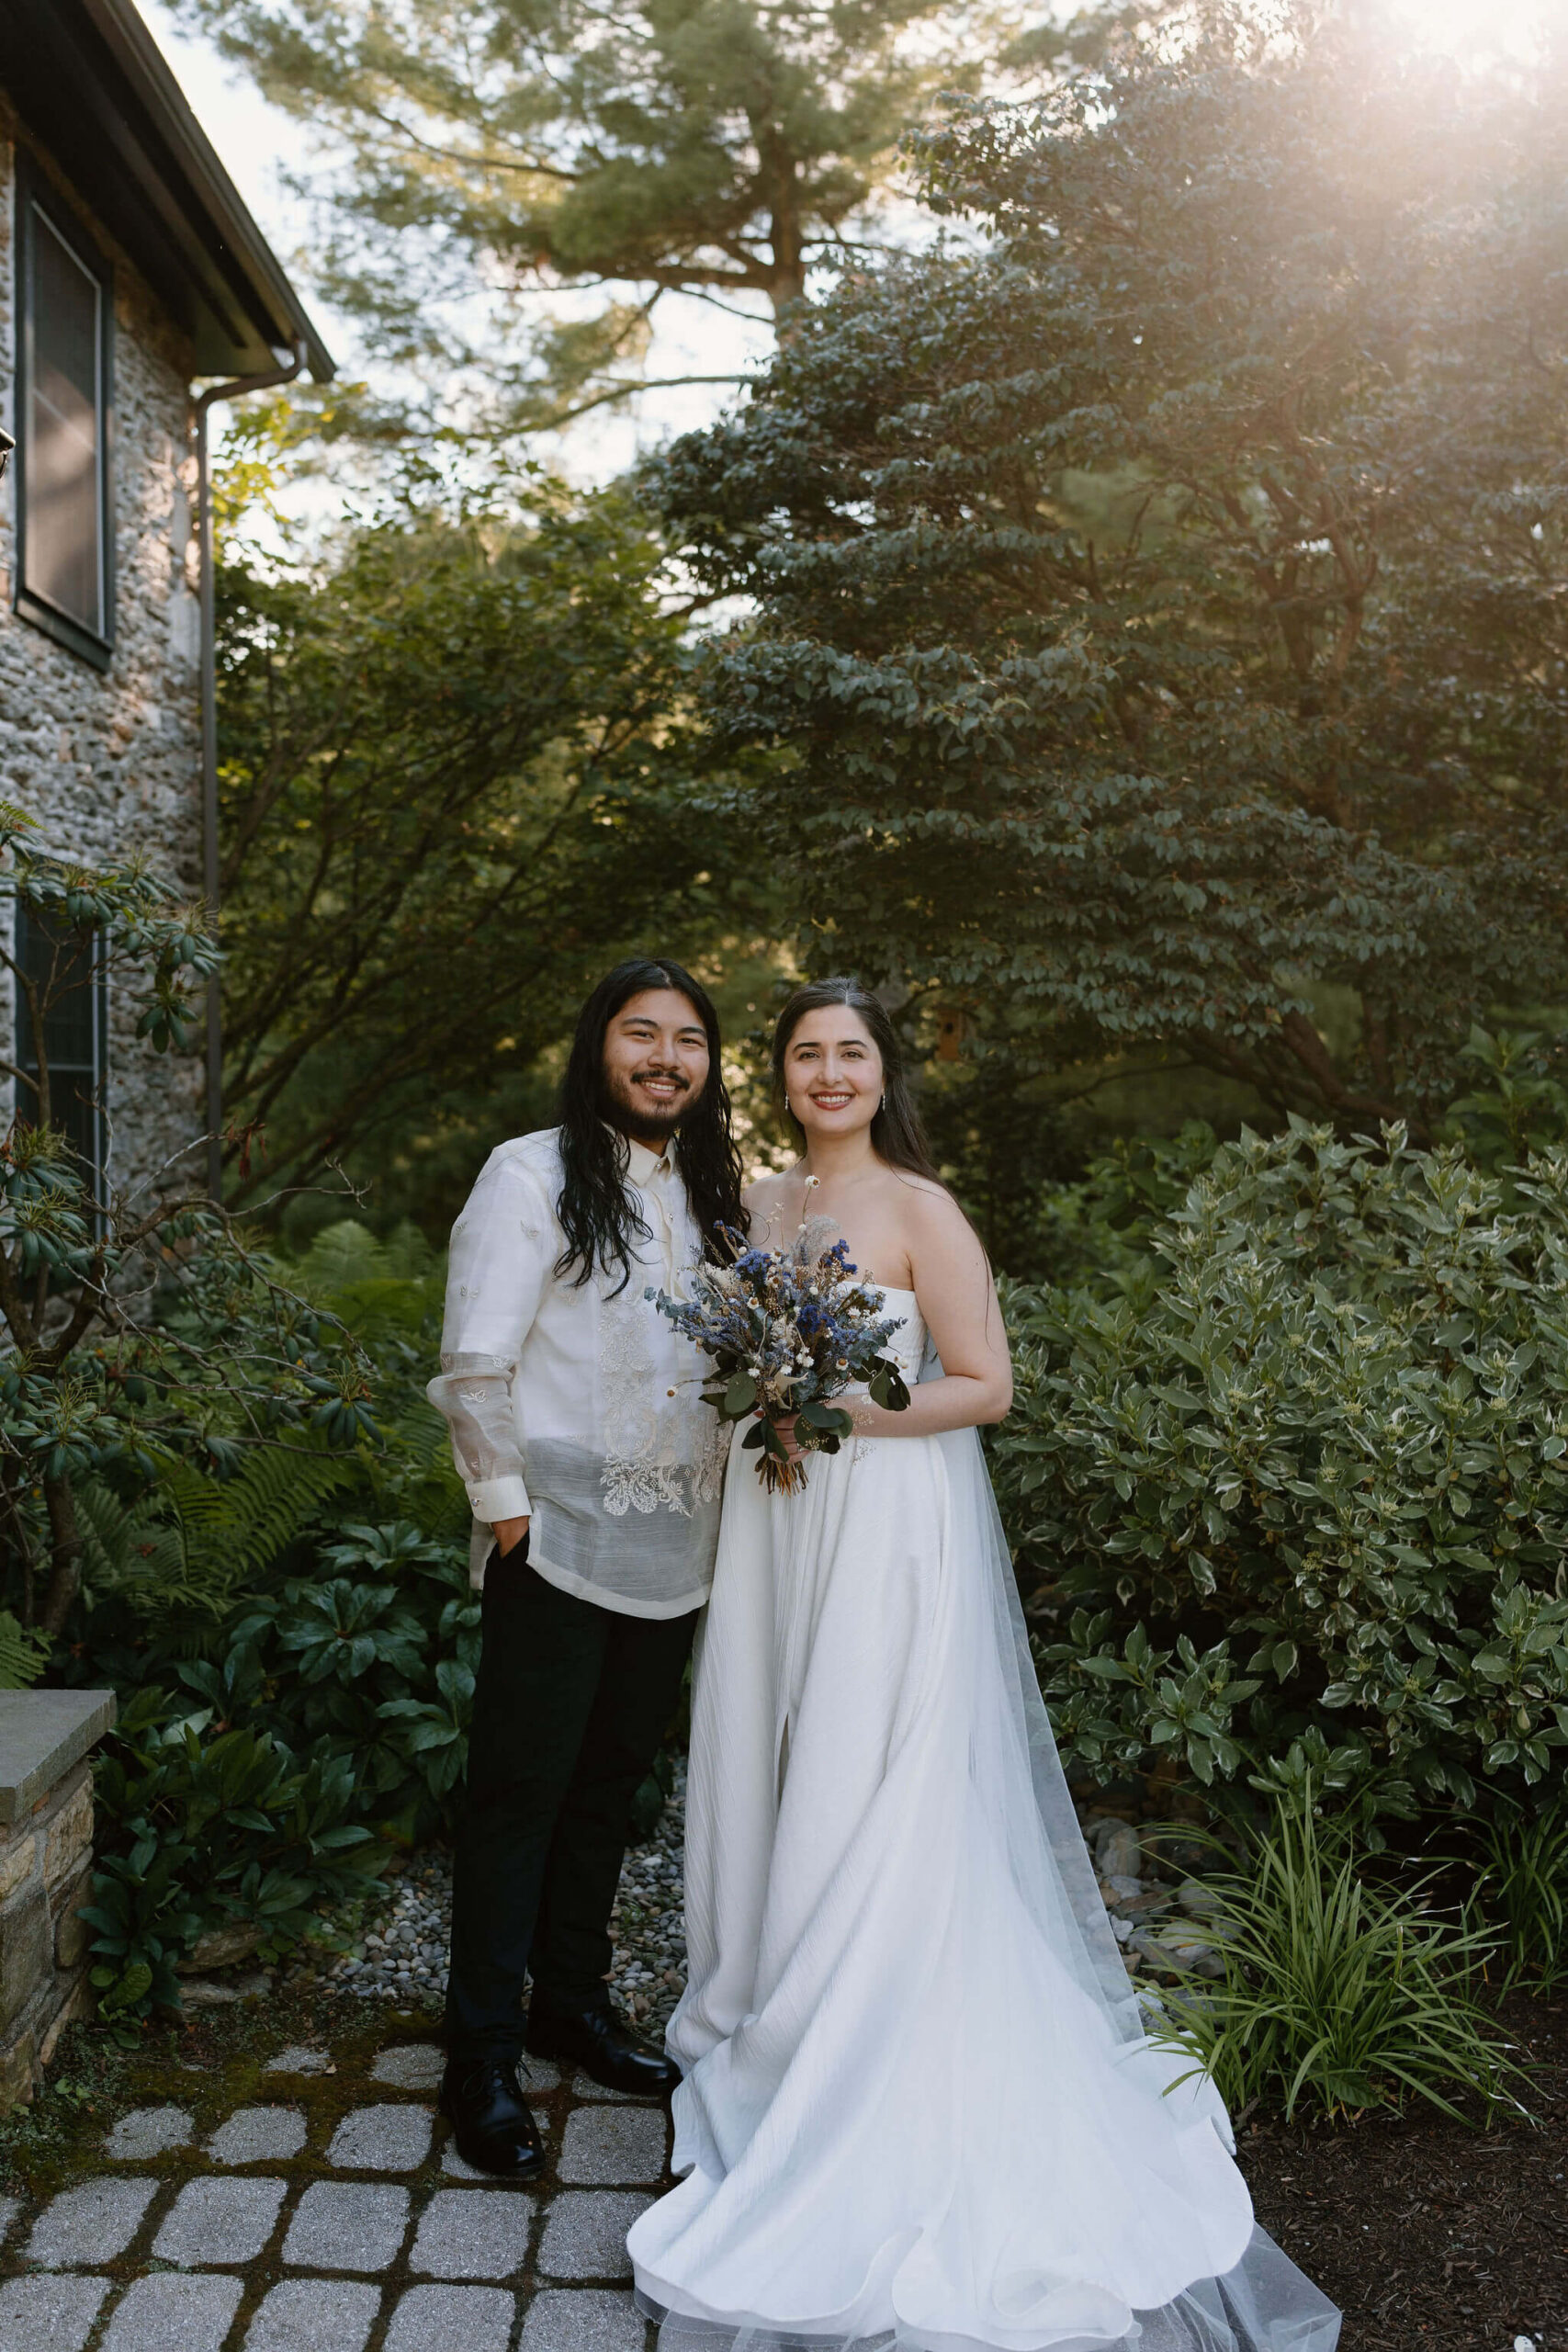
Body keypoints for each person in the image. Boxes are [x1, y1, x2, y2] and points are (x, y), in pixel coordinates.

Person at [627, 977, 1341, 2352]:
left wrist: (827, 1406)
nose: (828, 1073)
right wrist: (762, 1400)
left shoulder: (921, 1207)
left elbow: (985, 1384)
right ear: (778, 1077)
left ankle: (861, 2037)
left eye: (851, 1055)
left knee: (866, 1766)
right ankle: (771, 2005)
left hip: (887, 1525)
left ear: (884, 1075)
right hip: (780, 1525)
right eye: (804, 1055)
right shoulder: (763, 1206)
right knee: (767, 1753)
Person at [428, 956, 744, 2177]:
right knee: (519, 1795)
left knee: (611, 1788)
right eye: (641, 1033)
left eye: (688, 1042)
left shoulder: (716, 1195)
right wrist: (507, 1513)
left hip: (679, 1544)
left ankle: (571, 2004)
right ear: (598, 1045)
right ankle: (484, 2052)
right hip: (556, 1537)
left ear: (708, 1069)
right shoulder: (532, 1172)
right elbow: (473, 1365)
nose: (665, 1058)